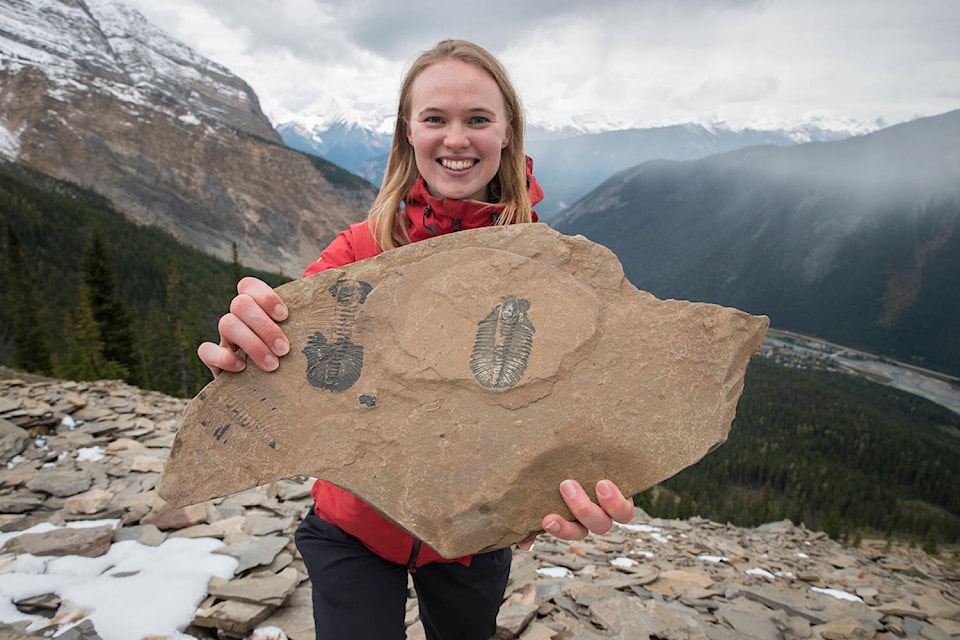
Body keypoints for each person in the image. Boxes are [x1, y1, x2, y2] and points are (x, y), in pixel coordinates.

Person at [198, 39, 635, 640]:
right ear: (408, 132)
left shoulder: (552, 268)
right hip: (351, 528)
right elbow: (285, 357)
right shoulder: (355, 254)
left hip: (473, 535)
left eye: (477, 119)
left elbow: (576, 411)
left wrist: (590, 477)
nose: (456, 139)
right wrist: (250, 342)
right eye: (436, 119)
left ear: (508, 132)